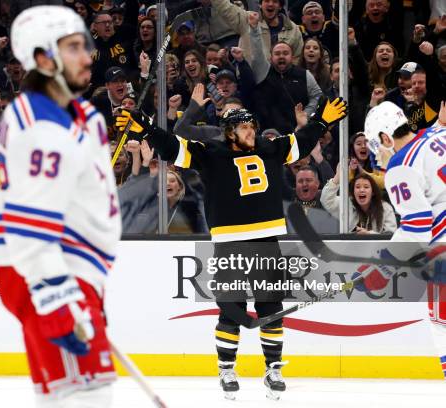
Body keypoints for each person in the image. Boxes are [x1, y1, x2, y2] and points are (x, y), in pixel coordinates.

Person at [116, 97, 348, 400]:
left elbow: (301, 142)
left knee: (271, 308)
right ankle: (227, 368)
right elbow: (172, 146)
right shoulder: (211, 154)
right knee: (232, 309)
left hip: (267, 240)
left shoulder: (270, 148)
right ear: (228, 132)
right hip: (230, 243)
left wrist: (321, 121)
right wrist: (146, 126)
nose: (251, 131)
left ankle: (273, 368)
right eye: (243, 127)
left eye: (252, 126)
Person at [0, 6, 121, 406]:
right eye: (73, 48)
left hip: (75, 270)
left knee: (85, 393)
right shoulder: (36, 122)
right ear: (42, 58)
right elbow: (27, 220)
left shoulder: (86, 115)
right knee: (84, 396)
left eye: (85, 46)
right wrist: (56, 298)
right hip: (48, 271)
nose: (88, 56)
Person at [364, 100, 445, 379]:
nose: (379, 154)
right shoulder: (438, 134)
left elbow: (417, 225)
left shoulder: (400, 165)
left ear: (386, 137)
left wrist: (384, 267)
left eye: (378, 144)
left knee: (441, 323)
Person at [321, 164, 397, 233]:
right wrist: (337, 178)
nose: (361, 190)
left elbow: (391, 236)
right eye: (357, 187)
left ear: (373, 192)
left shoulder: (385, 208)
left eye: (366, 187)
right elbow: (326, 200)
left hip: (377, 248)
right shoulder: (347, 204)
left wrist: (369, 235)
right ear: (353, 192)